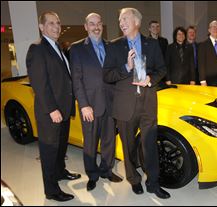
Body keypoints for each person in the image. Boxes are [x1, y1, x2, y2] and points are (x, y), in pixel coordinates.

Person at [103, 7, 170, 199]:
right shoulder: (114, 46)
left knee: (150, 145)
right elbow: (107, 75)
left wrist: (150, 79)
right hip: (125, 105)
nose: (121, 22)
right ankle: (134, 179)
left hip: (148, 102)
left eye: (125, 18)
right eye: (119, 19)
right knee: (129, 146)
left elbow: (162, 69)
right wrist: (127, 67)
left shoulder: (152, 44)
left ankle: (153, 183)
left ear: (137, 22)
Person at [26, 11, 80, 202]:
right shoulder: (38, 49)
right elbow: (39, 83)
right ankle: (51, 190)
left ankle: (60, 172)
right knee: (49, 152)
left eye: (58, 23)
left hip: (63, 109)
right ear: (41, 27)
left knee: (60, 147)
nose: (56, 26)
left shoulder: (57, 46)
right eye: (51, 23)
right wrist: (51, 109)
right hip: (51, 113)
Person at [69, 13, 122, 192]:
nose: (96, 27)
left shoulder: (110, 46)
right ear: (86, 26)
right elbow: (76, 80)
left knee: (109, 140)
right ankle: (92, 175)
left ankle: (106, 170)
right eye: (92, 24)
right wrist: (83, 105)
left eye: (99, 23)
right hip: (90, 105)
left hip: (110, 103)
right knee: (90, 143)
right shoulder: (77, 49)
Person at [198, 20, 217, 86]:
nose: (215, 29)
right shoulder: (203, 45)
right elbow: (201, 64)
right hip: (208, 81)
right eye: (213, 27)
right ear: (209, 30)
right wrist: (202, 81)